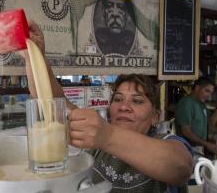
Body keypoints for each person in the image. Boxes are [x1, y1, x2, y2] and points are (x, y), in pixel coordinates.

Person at [19, 21, 193, 192]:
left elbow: (181, 167)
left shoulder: (164, 141)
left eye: (137, 101)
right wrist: (34, 55)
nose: (124, 106)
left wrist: (107, 136)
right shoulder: (96, 137)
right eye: (118, 99)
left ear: (155, 116)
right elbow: (52, 100)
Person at [174, 76, 217, 157]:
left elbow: (210, 123)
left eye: (211, 93)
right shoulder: (186, 103)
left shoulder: (201, 104)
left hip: (198, 148)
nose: (209, 96)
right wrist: (207, 144)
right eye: (207, 91)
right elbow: (186, 132)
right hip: (187, 149)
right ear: (197, 88)